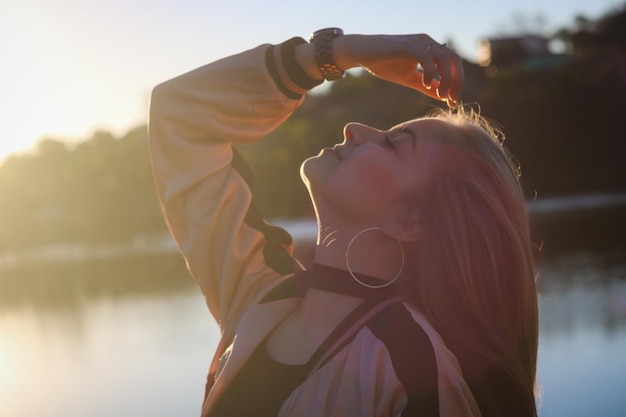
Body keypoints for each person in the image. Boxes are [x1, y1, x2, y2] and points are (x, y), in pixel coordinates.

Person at [148, 29, 539, 417]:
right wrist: (340, 53)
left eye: (391, 144)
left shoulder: (415, 373)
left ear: (408, 221)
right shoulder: (260, 299)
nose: (354, 129)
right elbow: (179, 114)